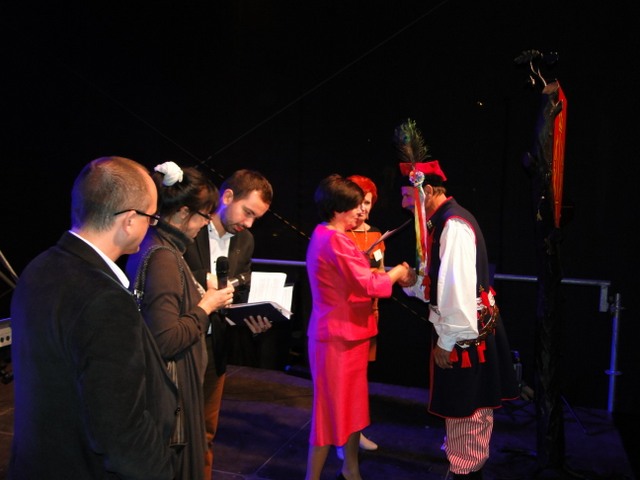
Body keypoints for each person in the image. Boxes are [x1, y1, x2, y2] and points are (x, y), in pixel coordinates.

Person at [9, 156, 179, 479]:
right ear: (130, 220)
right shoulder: (105, 298)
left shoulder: (38, 268)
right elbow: (121, 434)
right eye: (152, 217)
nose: (151, 225)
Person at [399, 159, 520, 479]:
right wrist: (412, 283)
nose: (404, 204)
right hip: (465, 328)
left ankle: (466, 471)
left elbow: (457, 290)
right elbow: (442, 286)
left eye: (407, 196)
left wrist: (447, 340)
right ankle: (462, 464)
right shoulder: (443, 223)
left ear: (426, 191)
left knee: (468, 405)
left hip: (466, 334)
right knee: (464, 406)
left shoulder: (452, 225)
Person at [126, 161, 235, 480]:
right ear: (184, 212)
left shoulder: (158, 245)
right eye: (204, 215)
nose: (206, 223)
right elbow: (165, 339)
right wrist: (207, 305)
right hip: (170, 394)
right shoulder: (163, 255)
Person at [305, 174, 416, 480]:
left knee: (353, 411)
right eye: (355, 206)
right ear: (337, 208)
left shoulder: (331, 236)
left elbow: (356, 280)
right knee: (328, 416)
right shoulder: (334, 240)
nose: (362, 211)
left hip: (349, 336)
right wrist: (399, 272)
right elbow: (370, 284)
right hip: (336, 339)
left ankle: (350, 470)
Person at [183, 168, 273, 479]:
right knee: (172, 430)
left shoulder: (245, 240)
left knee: (206, 432)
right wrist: (205, 286)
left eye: (256, 218)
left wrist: (251, 318)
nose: (249, 223)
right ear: (227, 196)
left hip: (215, 346)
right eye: (247, 212)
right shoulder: (189, 227)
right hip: (180, 342)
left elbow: (240, 290)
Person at [337, 174, 385, 458]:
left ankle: (355, 432)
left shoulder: (375, 234)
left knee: (359, 377)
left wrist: (381, 274)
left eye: (368, 202)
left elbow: (381, 271)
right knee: (343, 379)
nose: (364, 208)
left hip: (369, 311)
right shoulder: (338, 233)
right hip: (344, 315)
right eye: (360, 202)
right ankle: (342, 437)